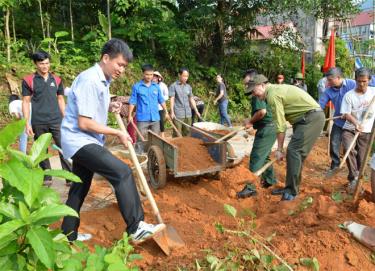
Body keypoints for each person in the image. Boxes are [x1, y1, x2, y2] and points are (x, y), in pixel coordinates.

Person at [61, 38, 165, 243]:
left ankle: (67, 234)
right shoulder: (91, 80)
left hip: (83, 139)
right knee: (122, 172)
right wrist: (116, 132)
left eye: (125, 66)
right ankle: (136, 227)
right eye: (120, 64)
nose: (122, 70)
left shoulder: (102, 80)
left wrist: (110, 106)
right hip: (80, 139)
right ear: (106, 58)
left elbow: (91, 104)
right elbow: (84, 122)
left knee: (79, 187)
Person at [250, 74, 325, 201]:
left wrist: (279, 150)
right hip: (303, 120)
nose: (253, 95)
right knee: (296, 154)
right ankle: (290, 188)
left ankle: (291, 192)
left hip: (310, 118)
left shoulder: (272, 95)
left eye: (254, 91)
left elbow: (280, 125)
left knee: (293, 151)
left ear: (262, 85)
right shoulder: (274, 90)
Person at [22, 50, 71, 186]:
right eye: (41, 63)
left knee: (63, 147)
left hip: (56, 120)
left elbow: (61, 99)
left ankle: (69, 177)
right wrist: (27, 124)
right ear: (35, 64)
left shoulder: (57, 79)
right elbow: (25, 102)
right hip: (38, 121)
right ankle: (47, 177)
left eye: (47, 63)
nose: (45, 66)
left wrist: (65, 116)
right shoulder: (29, 80)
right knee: (42, 150)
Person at [237, 71, 277, 198]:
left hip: (267, 128)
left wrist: (250, 121)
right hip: (271, 127)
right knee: (264, 157)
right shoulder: (262, 92)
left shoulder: (257, 94)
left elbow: (262, 112)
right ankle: (270, 181)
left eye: (248, 83)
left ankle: (250, 188)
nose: (247, 87)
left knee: (256, 157)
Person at [340, 68, 375, 194]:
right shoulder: (349, 96)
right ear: (355, 80)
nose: (361, 84)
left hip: (367, 130)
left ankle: (359, 179)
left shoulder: (373, 93)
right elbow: (346, 114)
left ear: (369, 80)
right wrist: (356, 123)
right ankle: (353, 178)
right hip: (350, 128)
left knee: (362, 156)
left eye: (364, 81)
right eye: (359, 81)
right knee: (348, 148)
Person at [318, 67, 356, 173]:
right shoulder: (328, 91)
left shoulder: (352, 84)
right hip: (339, 121)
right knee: (334, 142)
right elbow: (320, 104)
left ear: (338, 78)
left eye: (330, 80)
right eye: (327, 80)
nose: (328, 82)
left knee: (350, 147)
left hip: (353, 121)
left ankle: (354, 168)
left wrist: (349, 113)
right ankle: (335, 165)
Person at [128, 64, 169, 143]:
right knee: (141, 139)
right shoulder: (137, 87)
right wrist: (130, 115)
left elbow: (161, 100)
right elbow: (132, 101)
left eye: (151, 74)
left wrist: (166, 112)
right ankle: (140, 154)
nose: (149, 77)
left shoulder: (156, 86)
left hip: (155, 118)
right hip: (142, 118)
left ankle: (152, 154)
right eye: (147, 74)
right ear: (143, 74)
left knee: (155, 139)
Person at [169, 68, 201, 136]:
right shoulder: (173, 86)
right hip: (178, 114)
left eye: (187, 76)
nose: (186, 78)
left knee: (187, 132)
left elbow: (191, 99)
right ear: (179, 75)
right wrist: (172, 112)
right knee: (177, 133)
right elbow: (172, 99)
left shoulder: (188, 87)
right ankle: (175, 146)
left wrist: (196, 111)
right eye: (184, 76)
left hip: (188, 114)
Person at [152, 71, 169, 138]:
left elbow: (166, 96)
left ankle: (162, 136)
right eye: (153, 77)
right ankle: (154, 135)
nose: (154, 78)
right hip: (152, 107)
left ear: (159, 78)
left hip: (160, 107)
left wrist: (160, 99)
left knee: (161, 121)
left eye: (155, 77)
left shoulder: (163, 85)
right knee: (153, 122)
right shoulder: (150, 85)